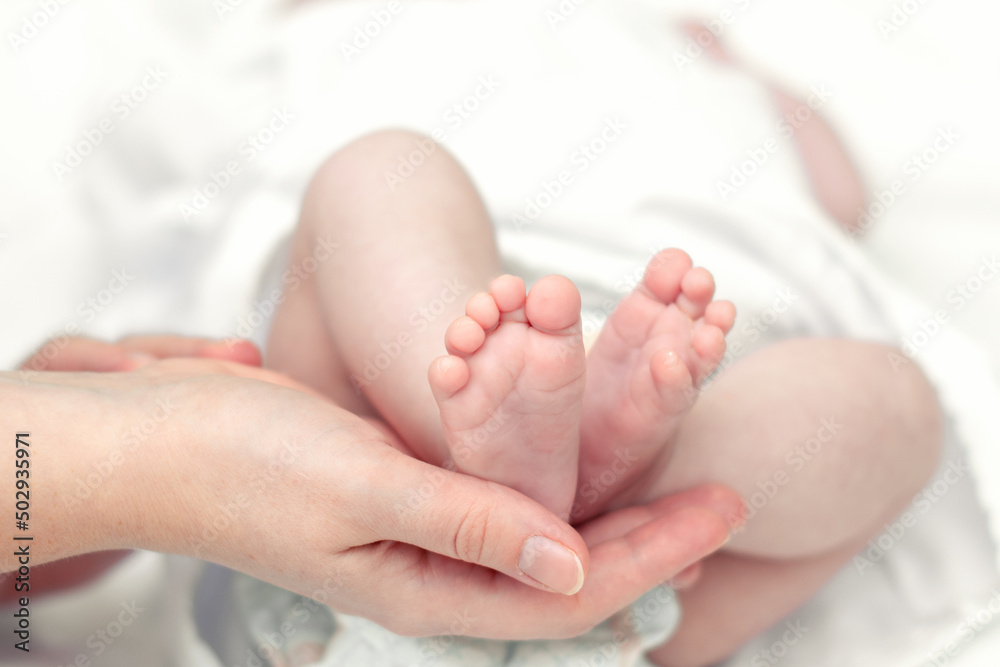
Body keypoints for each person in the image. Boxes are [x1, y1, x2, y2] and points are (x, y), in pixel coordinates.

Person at [264, 128, 944, 666]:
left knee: (381, 172)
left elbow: (840, 206)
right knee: (898, 404)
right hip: (621, 604)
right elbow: (843, 199)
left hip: (340, 532)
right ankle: (631, 477)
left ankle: (468, 442)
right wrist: (770, 88)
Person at [1, 334, 742, 643]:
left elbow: (25, 574)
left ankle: (525, 461)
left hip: (301, 583)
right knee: (380, 165)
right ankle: (503, 457)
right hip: (555, 314)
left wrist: (82, 461)